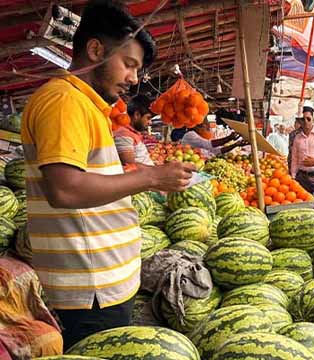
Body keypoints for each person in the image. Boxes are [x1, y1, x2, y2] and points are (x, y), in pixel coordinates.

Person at [20, 0, 194, 350]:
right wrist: (151, 179)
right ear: (95, 49)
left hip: (99, 287)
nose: (133, 79)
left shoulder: (85, 105)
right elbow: (65, 190)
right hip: (88, 293)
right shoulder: (63, 101)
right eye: (128, 65)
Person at [290, 106, 314, 197]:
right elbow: (294, 158)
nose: (306, 122)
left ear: (313, 120)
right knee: (303, 202)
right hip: (302, 177)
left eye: (308, 119)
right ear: (300, 122)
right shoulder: (297, 138)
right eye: (303, 120)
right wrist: (293, 176)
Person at [114, 94, 154, 166]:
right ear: (137, 115)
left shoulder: (132, 133)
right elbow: (131, 166)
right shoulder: (123, 135)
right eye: (148, 118)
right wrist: (159, 170)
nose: (150, 122)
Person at [181, 119, 245, 158]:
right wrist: (229, 138)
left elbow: (217, 151)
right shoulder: (190, 135)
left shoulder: (200, 137)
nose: (207, 129)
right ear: (196, 127)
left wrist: (235, 144)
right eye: (205, 127)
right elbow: (208, 144)